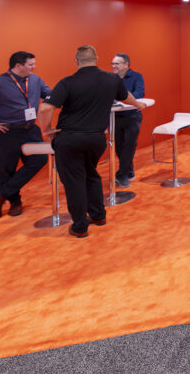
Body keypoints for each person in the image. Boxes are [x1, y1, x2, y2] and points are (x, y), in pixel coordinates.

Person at [37, 45, 145, 238]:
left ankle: (80, 227)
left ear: (77, 61)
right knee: (91, 174)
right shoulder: (112, 79)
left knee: (74, 181)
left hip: (70, 139)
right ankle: (98, 216)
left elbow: (45, 108)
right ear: (96, 58)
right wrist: (138, 104)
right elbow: (126, 97)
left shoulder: (68, 82)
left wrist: (47, 130)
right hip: (96, 139)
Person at [0, 51, 52, 218]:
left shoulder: (35, 80)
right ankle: (15, 202)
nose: (34, 67)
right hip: (6, 132)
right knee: (7, 169)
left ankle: (1, 193)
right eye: (31, 64)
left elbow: (49, 94)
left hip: (30, 129)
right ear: (18, 65)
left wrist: (65, 96)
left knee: (40, 159)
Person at [110, 53, 145, 188]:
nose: (113, 66)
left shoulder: (137, 76)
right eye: (112, 63)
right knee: (119, 147)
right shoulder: (111, 78)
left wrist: (121, 99)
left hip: (132, 117)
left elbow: (139, 94)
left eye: (116, 63)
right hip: (115, 117)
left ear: (126, 64)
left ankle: (121, 175)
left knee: (129, 146)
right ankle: (129, 171)